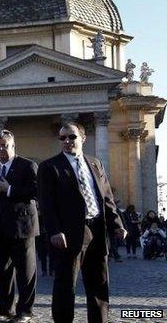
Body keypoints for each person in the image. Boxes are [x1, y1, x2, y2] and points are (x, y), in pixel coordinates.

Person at [38, 122, 126, 323]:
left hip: (96, 229)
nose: (67, 141)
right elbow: (47, 203)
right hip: (67, 235)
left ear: (83, 138)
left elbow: (106, 198)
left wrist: (117, 225)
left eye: (71, 137)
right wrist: (54, 230)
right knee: (65, 286)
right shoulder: (49, 167)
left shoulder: (95, 163)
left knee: (98, 284)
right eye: (62, 138)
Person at [0, 129, 39, 323]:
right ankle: (5, 309)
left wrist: (10, 189)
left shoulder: (28, 165)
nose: (1, 149)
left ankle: (25, 312)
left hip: (21, 227)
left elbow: (36, 191)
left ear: (13, 146)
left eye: (5, 145)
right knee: (2, 272)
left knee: (25, 272)